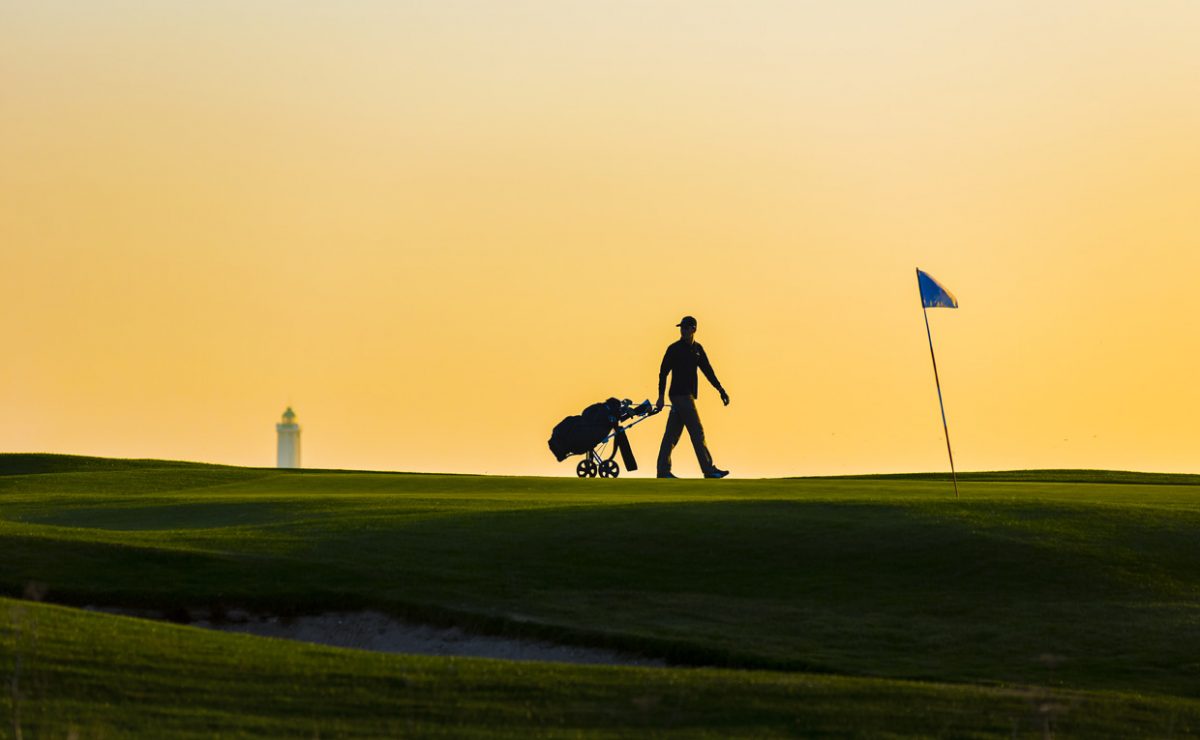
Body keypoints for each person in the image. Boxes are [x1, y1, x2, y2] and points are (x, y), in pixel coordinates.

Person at [655, 315, 730, 479]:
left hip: (687, 395)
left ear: (693, 329)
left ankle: (663, 470)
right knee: (697, 431)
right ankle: (708, 470)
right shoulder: (674, 349)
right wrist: (660, 397)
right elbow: (663, 373)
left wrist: (720, 390)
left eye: (686, 327)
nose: (682, 330)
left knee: (671, 435)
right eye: (681, 327)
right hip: (679, 395)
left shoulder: (697, 349)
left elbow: (708, 371)